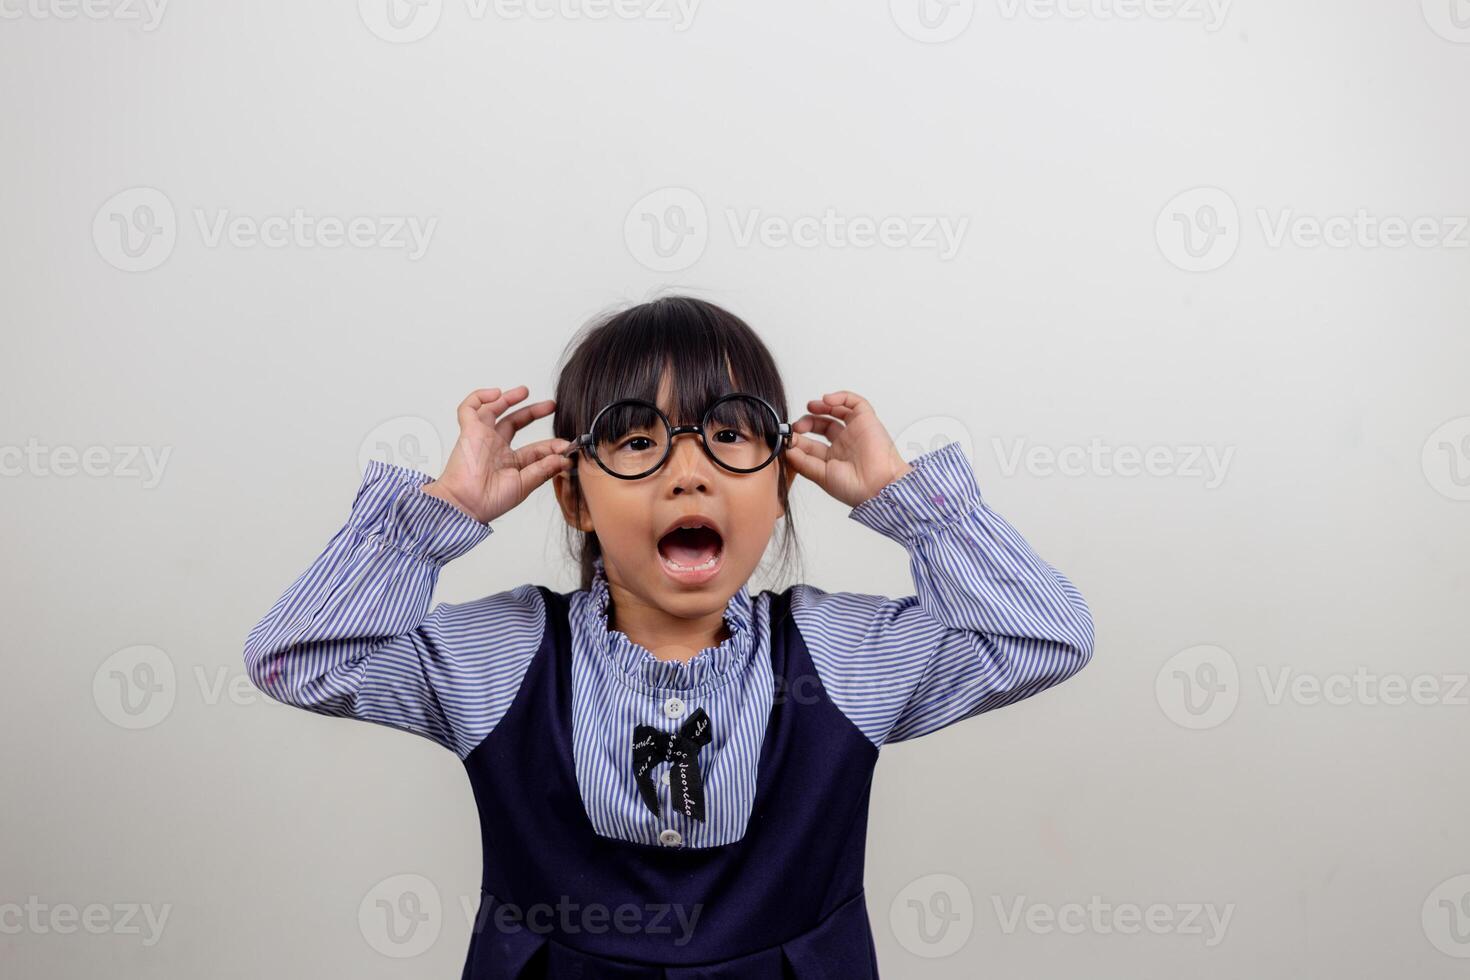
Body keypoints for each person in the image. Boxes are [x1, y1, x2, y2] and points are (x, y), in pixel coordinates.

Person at [243, 295, 1096, 978]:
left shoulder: (841, 657)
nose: (688, 471)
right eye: (637, 441)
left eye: (729, 436)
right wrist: (440, 517)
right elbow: (298, 661)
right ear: (574, 499)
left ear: (784, 486)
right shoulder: (505, 658)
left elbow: (1044, 637)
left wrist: (912, 505)